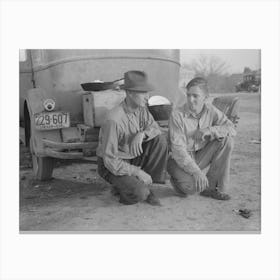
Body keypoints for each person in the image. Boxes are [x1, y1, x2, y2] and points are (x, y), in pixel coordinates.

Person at [97, 70, 168, 206]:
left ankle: (147, 186)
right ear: (129, 92)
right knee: (139, 194)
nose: (148, 97)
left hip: (131, 156)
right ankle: (123, 190)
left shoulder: (141, 110)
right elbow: (110, 160)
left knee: (159, 140)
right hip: (111, 164)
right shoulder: (114, 120)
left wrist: (142, 134)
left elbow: (155, 128)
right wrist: (138, 172)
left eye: (148, 92)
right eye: (143, 92)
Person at [167, 77, 236, 200]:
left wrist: (210, 130)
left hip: (199, 156)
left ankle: (212, 189)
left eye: (195, 96)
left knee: (227, 141)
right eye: (188, 95)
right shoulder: (177, 115)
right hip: (177, 160)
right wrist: (197, 172)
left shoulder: (211, 110)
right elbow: (178, 151)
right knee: (192, 188)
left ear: (205, 98)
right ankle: (177, 181)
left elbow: (231, 128)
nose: (190, 100)